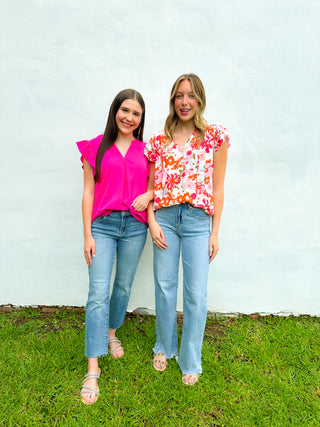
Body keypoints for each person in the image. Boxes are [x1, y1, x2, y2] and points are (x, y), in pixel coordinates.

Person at [145, 74, 229, 385]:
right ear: (172, 100)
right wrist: (152, 220)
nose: (184, 102)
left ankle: (191, 359)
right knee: (165, 287)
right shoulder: (158, 141)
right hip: (165, 218)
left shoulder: (214, 138)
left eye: (191, 96)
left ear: (199, 100)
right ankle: (164, 345)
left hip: (196, 222)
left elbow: (218, 188)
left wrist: (215, 231)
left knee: (196, 294)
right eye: (179, 96)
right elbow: (150, 187)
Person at [76, 89, 153, 405]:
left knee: (122, 287)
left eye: (136, 113)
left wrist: (149, 195)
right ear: (115, 111)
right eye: (125, 110)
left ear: (140, 119)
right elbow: (88, 193)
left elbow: (154, 184)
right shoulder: (97, 147)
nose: (129, 118)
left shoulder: (147, 150)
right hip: (103, 227)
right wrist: (87, 235)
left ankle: (111, 332)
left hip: (135, 227)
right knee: (97, 293)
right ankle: (92, 367)